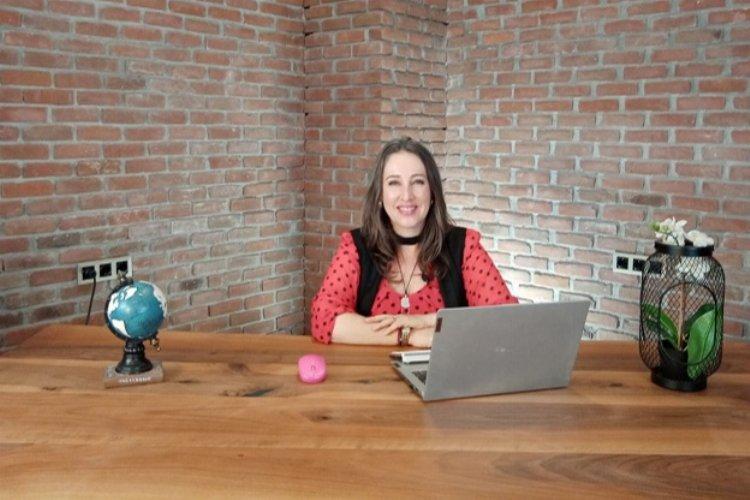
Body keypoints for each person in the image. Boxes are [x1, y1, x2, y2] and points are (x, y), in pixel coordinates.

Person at [311, 137, 517, 347]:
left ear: (432, 191)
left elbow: (506, 319)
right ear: (380, 194)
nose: (407, 196)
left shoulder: (464, 246)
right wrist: (407, 335)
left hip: (445, 369)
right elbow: (323, 317)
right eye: (394, 183)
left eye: (418, 182)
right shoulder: (356, 247)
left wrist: (426, 321)